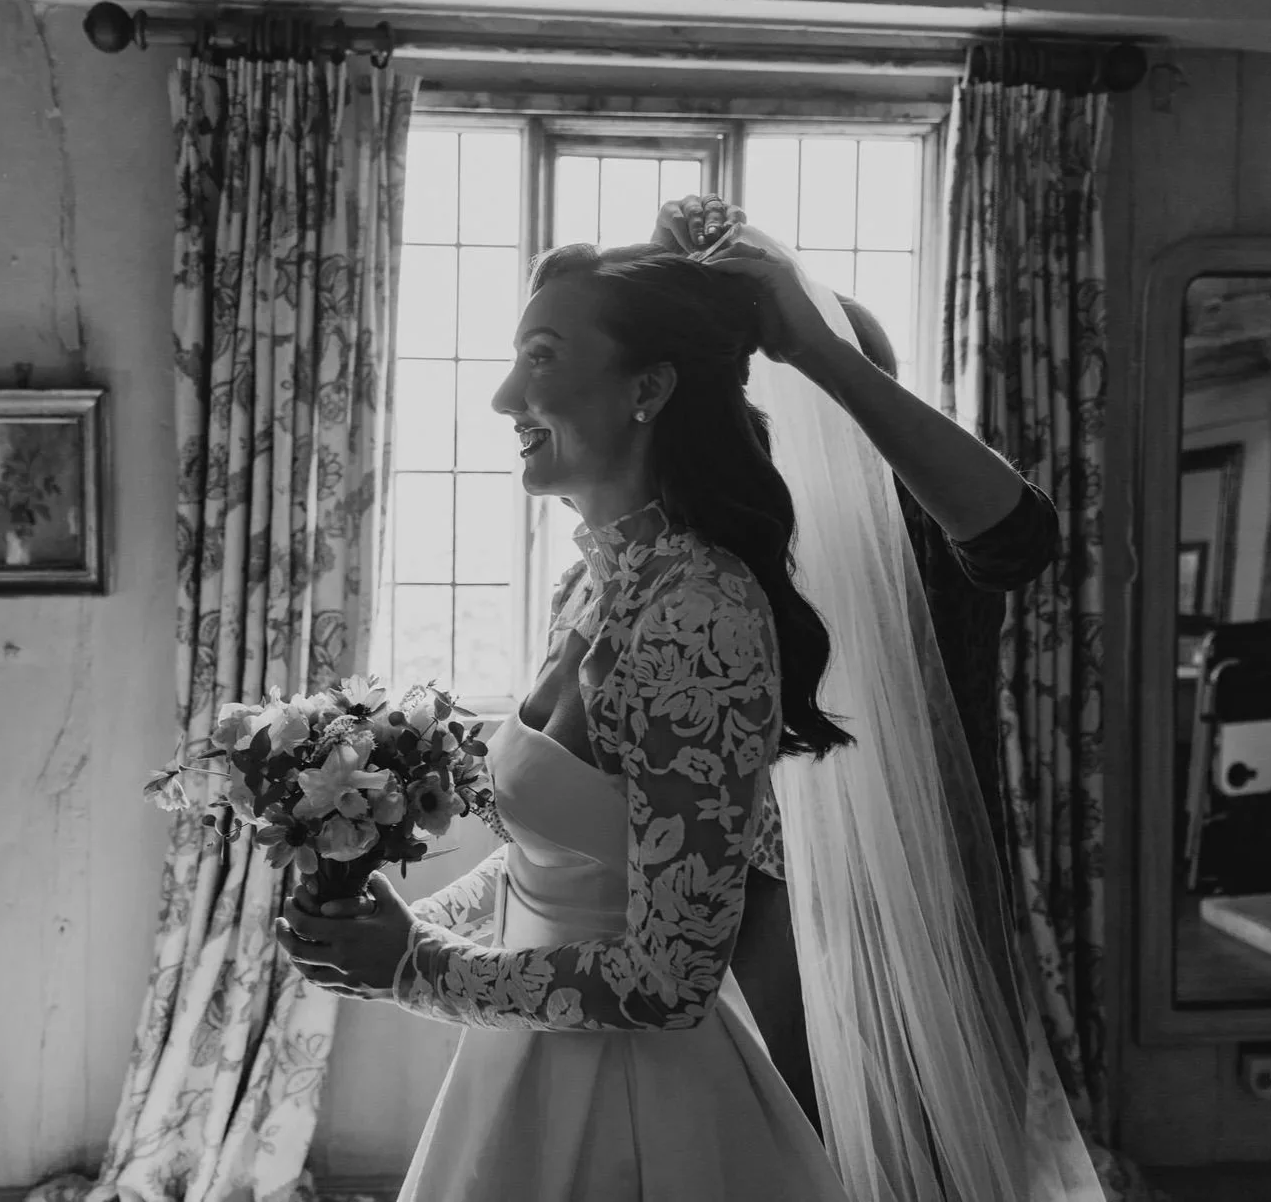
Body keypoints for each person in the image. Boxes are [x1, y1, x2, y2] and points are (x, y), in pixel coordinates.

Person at [274, 241, 857, 1201]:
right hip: (526, 1077)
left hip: (640, 1114)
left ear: (649, 387)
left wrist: (418, 967)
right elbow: (573, 855)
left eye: (540, 356)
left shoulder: (701, 610)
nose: (506, 397)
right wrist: (401, 929)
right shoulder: (588, 585)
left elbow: (673, 975)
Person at [647, 194, 1062, 1130]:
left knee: (911, 1138)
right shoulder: (700, 534)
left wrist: (816, 349)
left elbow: (1018, 541)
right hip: (748, 894)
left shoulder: (918, 525)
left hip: (911, 892)